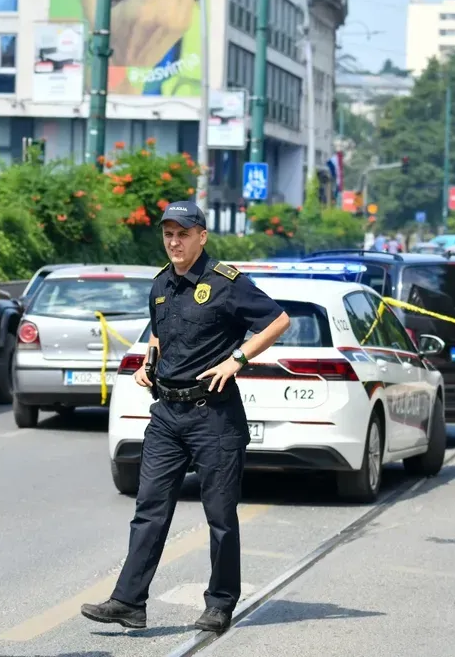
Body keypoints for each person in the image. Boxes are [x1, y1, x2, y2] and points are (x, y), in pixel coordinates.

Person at [81, 201, 290, 633]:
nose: (174, 242)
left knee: (219, 515)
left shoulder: (226, 283)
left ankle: (220, 603)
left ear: (202, 236)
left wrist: (237, 360)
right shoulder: (161, 284)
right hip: (167, 415)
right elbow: (159, 330)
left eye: (183, 234)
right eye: (168, 234)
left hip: (213, 415)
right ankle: (129, 603)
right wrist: (147, 362)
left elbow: (278, 320)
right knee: (149, 510)